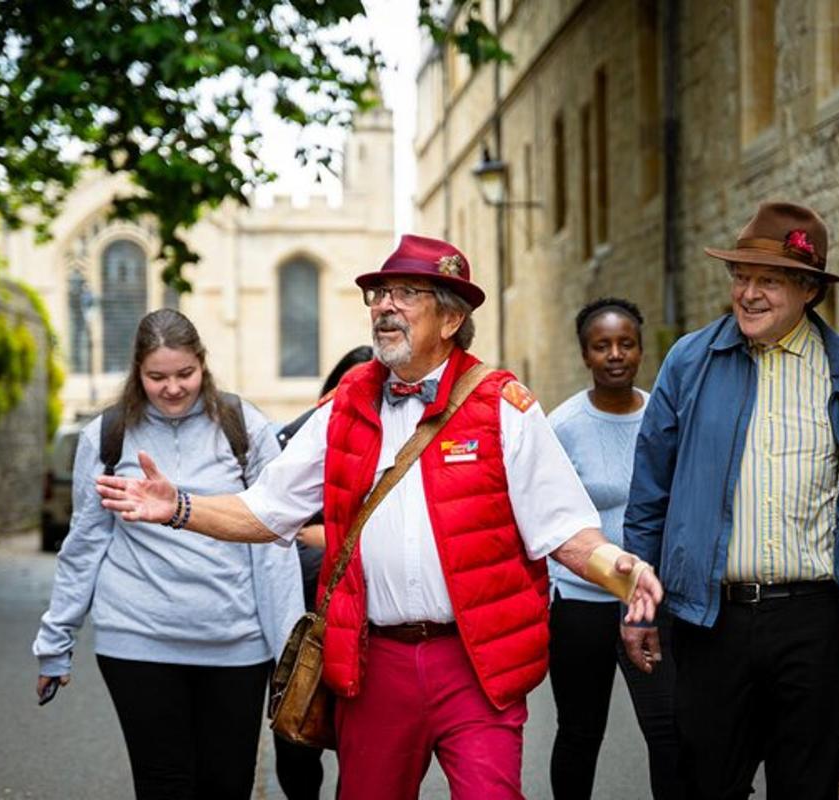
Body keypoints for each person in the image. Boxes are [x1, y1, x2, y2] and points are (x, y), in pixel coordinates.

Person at [95, 234, 663, 799]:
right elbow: (267, 512)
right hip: (374, 665)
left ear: (449, 319)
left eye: (407, 292)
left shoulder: (504, 407)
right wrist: (180, 508)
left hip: (476, 664)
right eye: (380, 293)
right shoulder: (345, 405)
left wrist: (623, 570)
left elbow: (564, 530)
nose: (386, 305)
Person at [622, 202, 839, 800]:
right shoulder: (690, 363)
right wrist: (636, 604)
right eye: (741, 276)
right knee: (705, 786)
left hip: (815, 622)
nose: (749, 293)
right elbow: (649, 498)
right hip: (711, 620)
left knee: (807, 788)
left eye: (769, 279)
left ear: (808, 289)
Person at [32, 308, 303, 800]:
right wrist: (56, 641)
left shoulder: (245, 430)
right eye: (157, 377)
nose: (173, 388)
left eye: (185, 374)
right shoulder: (108, 436)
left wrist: (288, 650)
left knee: (227, 785)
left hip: (235, 644)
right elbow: (86, 541)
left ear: (203, 364)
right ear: (137, 373)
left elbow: (273, 543)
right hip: (137, 641)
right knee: (163, 785)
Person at [546, 298, 686, 800]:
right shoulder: (561, 426)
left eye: (626, 343)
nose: (615, 354)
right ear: (585, 354)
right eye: (601, 345)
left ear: (641, 350)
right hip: (581, 605)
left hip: (649, 602)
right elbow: (547, 515)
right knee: (581, 733)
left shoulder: (666, 419)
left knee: (669, 732)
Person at [272, 344, 372, 800]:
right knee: (297, 735)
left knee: (366, 750)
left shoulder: (402, 444)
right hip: (307, 616)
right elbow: (276, 523)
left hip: (374, 621)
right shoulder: (295, 439)